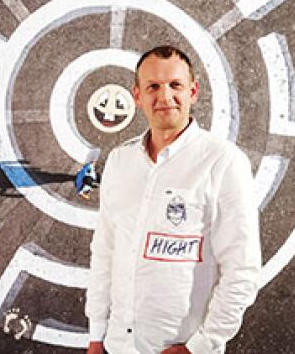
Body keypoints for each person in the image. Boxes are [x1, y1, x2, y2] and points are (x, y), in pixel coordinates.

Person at [85, 45, 261, 354]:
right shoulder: (120, 161)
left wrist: (200, 346)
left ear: (193, 92)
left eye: (175, 85)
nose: (165, 96)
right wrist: (97, 334)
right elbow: (105, 252)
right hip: (117, 346)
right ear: (137, 96)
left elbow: (242, 270)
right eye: (153, 86)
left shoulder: (223, 162)